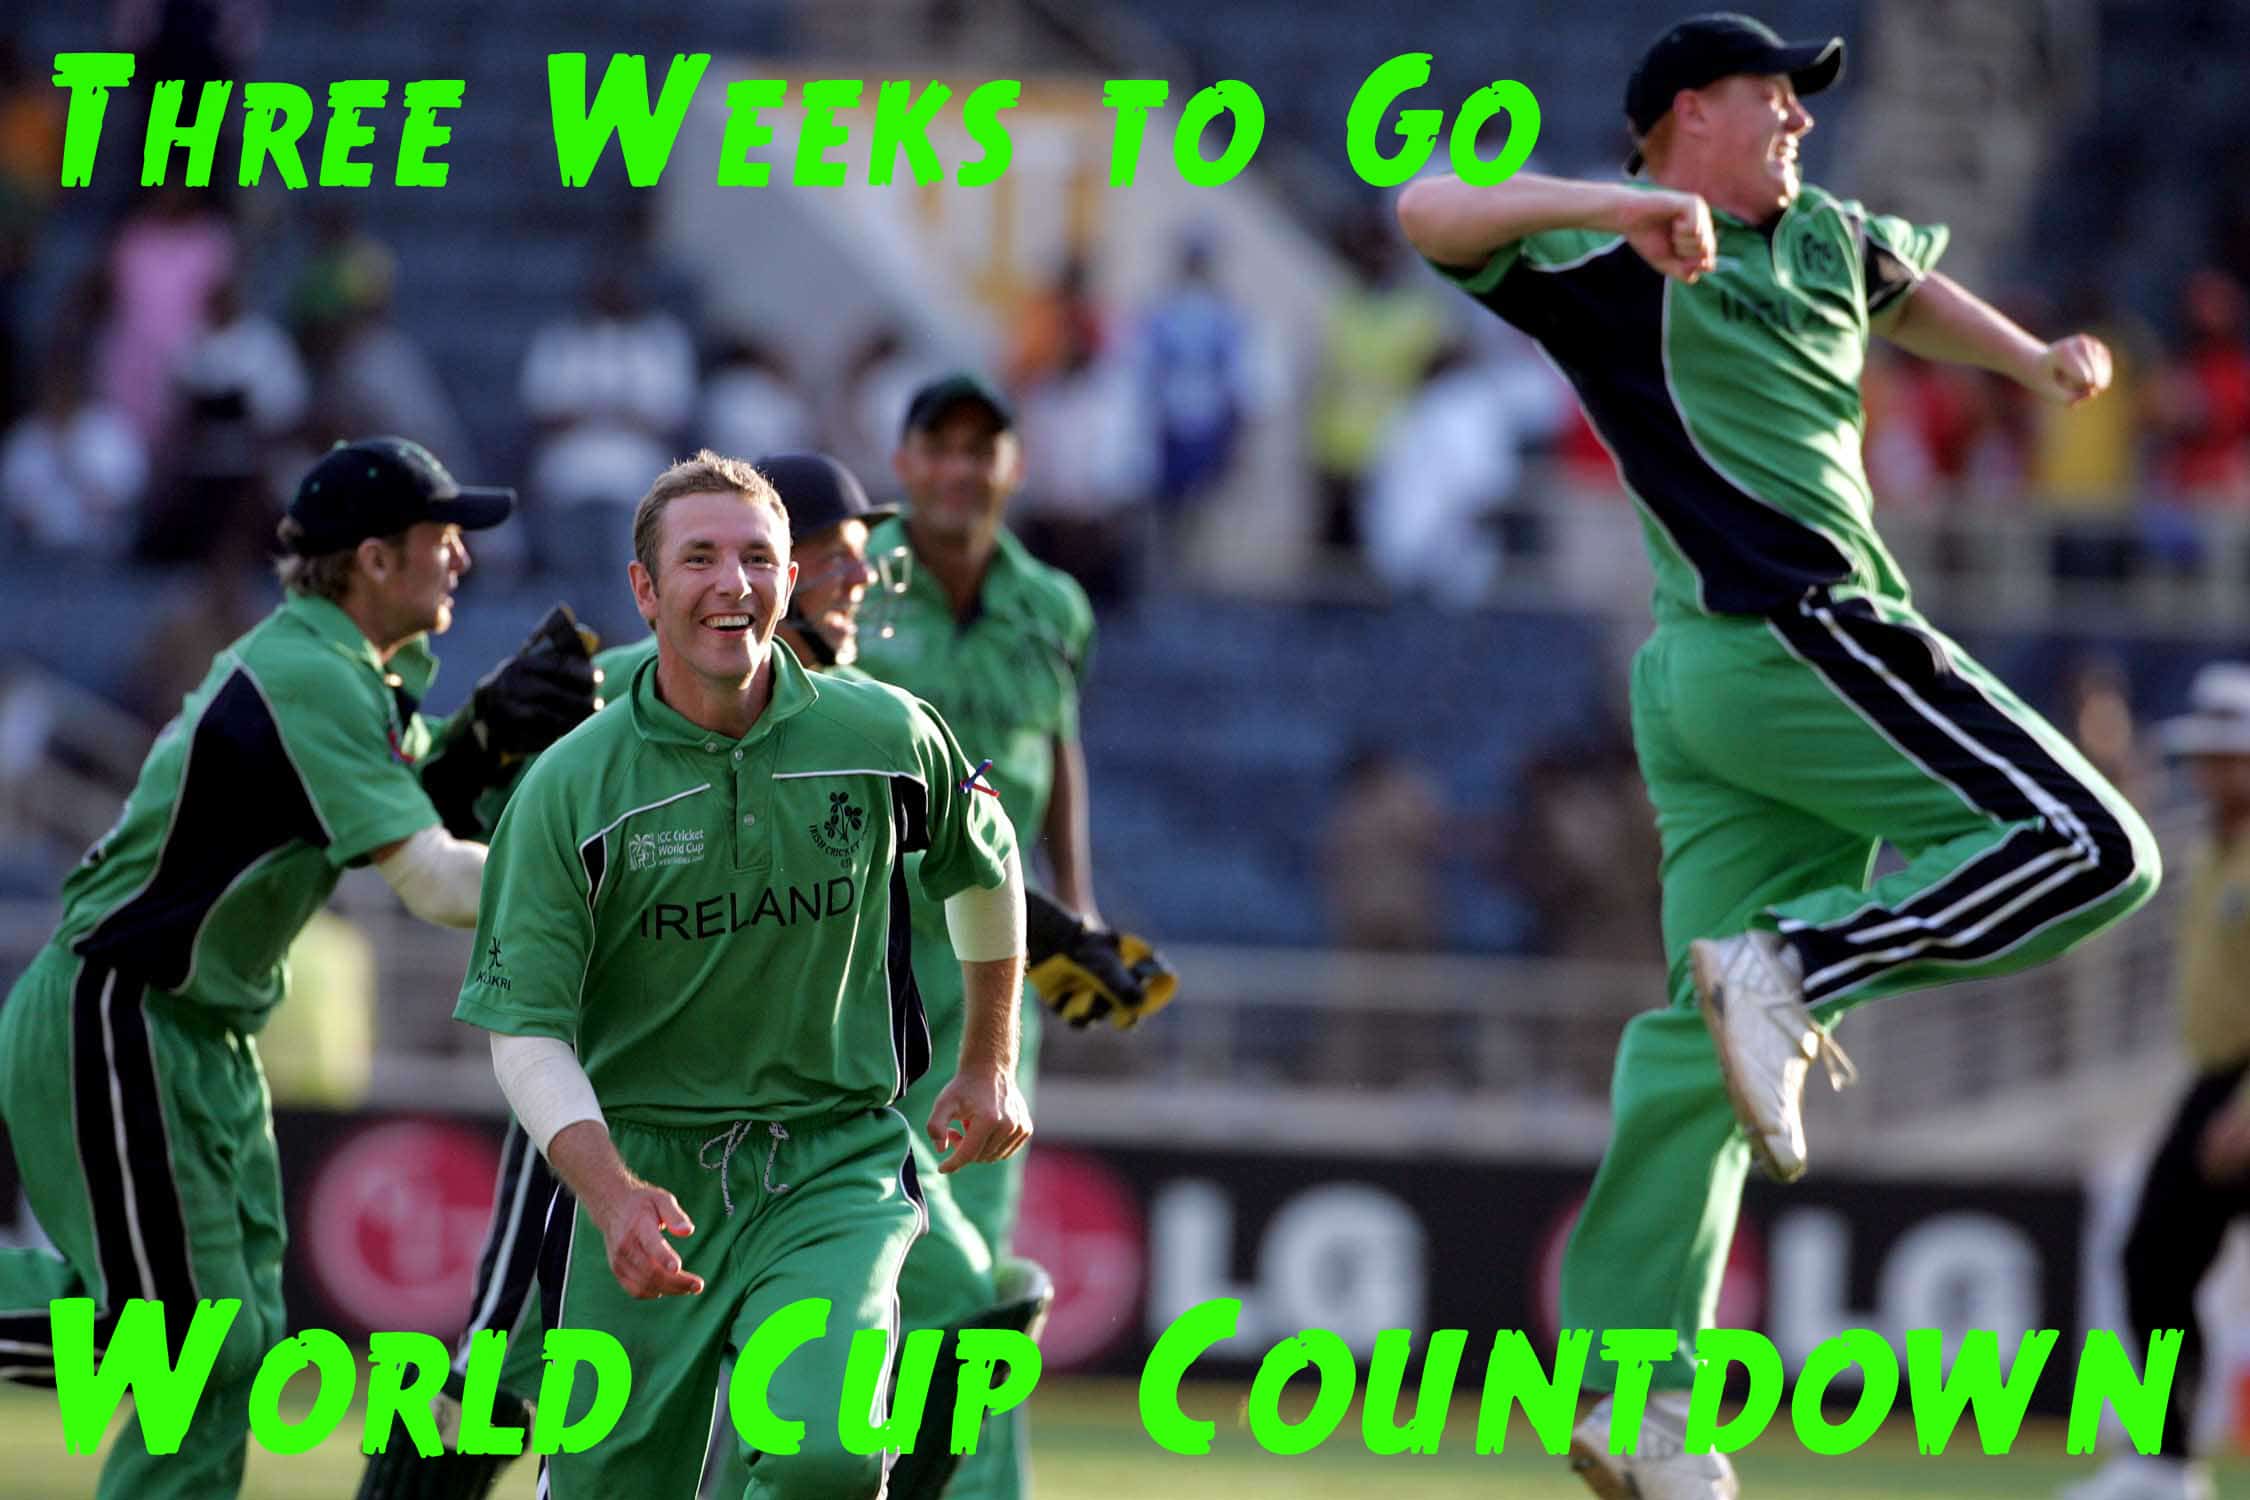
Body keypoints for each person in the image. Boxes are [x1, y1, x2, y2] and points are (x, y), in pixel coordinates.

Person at [1397, 15, 2161, 1498]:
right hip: (1792, 631)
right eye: (1774, 96)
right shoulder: (1615, 258)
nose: (1802, 119)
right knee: (2094, 849)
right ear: (1690, 111)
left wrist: (2028, 358)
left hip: (1707, 691)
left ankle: (1637, 1405)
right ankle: (1801, 965)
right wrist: (1617, 204)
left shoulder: (1823, 235)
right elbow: (1427, 211)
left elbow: (1906, 290)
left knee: (1700, 1055)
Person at [0, 436, 599, 1499]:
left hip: (197, 1028)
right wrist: (595, 879)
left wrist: (483, 734)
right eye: (442, 537)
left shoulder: (345, 671)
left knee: (230, 1344)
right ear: (374, 558)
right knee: (186, 1345)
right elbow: (431, 879)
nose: (462, 557)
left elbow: (406, 800)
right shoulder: (313, 675)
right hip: (121, 1009)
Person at [454, 450, 1032, 1498]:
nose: (735, 583)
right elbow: (525, 1028)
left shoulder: (885, 732)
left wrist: (990, 1063)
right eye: (701, 558)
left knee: (828, 1459)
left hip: (834, 1163)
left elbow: (986, 867)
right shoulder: (571, 785)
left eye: (759, 558)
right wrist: (612, 1196)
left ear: (789, 579)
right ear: (645, 589)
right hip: (645, 1173)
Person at [856, 373, 1103, 1498]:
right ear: (904, 461)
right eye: (940, 446)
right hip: (869, 955)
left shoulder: (1053, 604)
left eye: (981, 448)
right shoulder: (854, 576)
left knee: (979, 1259)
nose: (960, 468)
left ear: (1015, 465)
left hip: (997, 965)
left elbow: (1058, 749)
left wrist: (1078, 903)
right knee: (904, 1244)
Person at [2062, 664, 2250, 1500]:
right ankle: (2164, 1461)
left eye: (2230, 754)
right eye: (2208, 753)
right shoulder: (2213, 848)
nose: (2213, 769)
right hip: (2214, 1079)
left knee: (2158, 1255)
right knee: (2154, 1258)